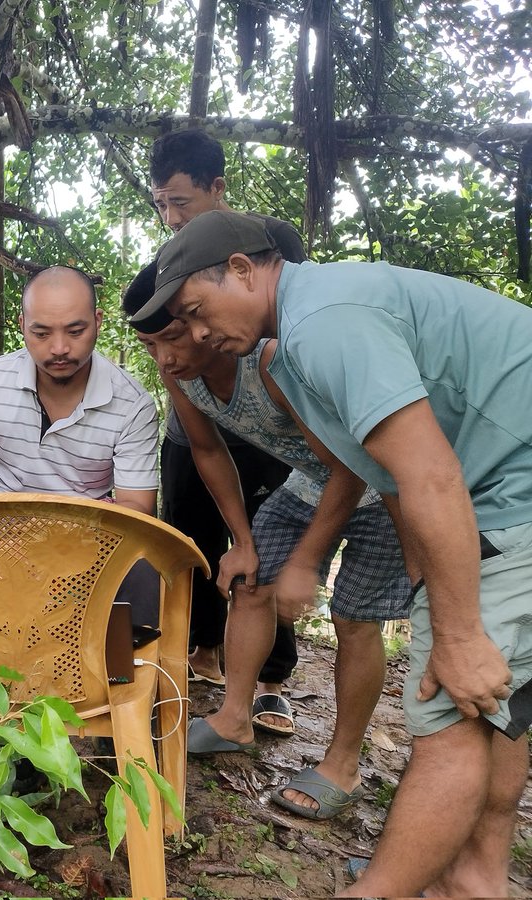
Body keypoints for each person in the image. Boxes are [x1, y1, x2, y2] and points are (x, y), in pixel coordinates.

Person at [134, 208, 532, 898]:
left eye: (197, 312)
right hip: (490, 483)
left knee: (453, 700)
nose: (194, 336)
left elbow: (426, 474)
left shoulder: (320, 325)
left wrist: (458, 628)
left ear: (241, 269)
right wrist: (424, 584)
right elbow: (391, 467)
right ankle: (475, 874)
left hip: (508, 490)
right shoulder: (301, 329)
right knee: (498, 700)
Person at [127, 272, 410, 820]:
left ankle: (342, 763)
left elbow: (350, 465)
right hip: (307, 483)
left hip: (382, 481)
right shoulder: (182, 377)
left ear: (200, 321)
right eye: (149, 345)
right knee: (247, 582)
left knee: (355, 618)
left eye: (172, 338)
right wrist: (244, 540)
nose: (163, 358)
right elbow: (208, 452)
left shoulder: (271, 362)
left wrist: (306, 562)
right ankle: (234, 718)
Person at [146, 129, 302, 731]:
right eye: (160, 203)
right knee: (195, 546)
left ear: (218, 189)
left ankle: (271, 681)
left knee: (268, 549)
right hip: (195, 428)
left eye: (180, 202)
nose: (169, 216)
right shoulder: (166, 262)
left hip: (269, 431)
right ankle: (204, 654)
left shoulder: (271, 241)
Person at [0, 265, 161, 633]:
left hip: (88, 543)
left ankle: (123, 681)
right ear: (21, 325)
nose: (59, 348)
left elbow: (136, 508)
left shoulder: (132, 404)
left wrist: (67, 550)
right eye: (41, 333)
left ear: (98, 321)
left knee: (142, 567)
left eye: (75, 331)